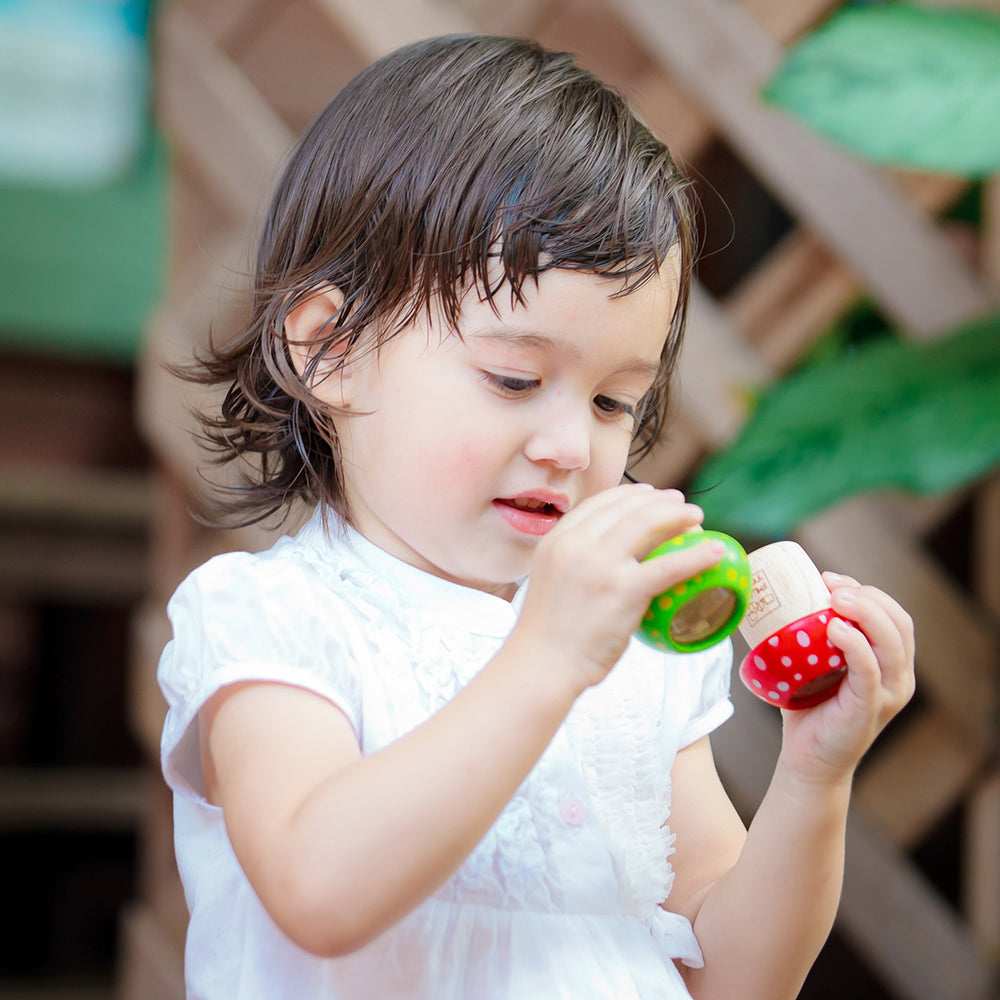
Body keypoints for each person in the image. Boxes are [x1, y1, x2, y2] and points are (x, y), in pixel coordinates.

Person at [157, 33, 915, 1000]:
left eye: (613, 402)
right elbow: (319, 889)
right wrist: (547, 658)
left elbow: (737, 979)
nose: (570, 445)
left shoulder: (638, 660)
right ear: (330, 352)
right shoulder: (273, 623)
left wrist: (816, 777)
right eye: (515, 379)